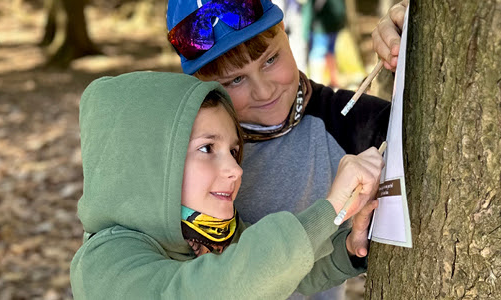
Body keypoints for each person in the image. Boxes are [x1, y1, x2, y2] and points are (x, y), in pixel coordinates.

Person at [70, 71, 384, 299]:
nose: (235, 169)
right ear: (148, 162)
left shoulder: (208, 234)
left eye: (234, 151)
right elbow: (213, 287)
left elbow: (292, 272)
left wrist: (348, 248)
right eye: (207, 149)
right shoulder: (104, 261)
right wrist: (327, 207)